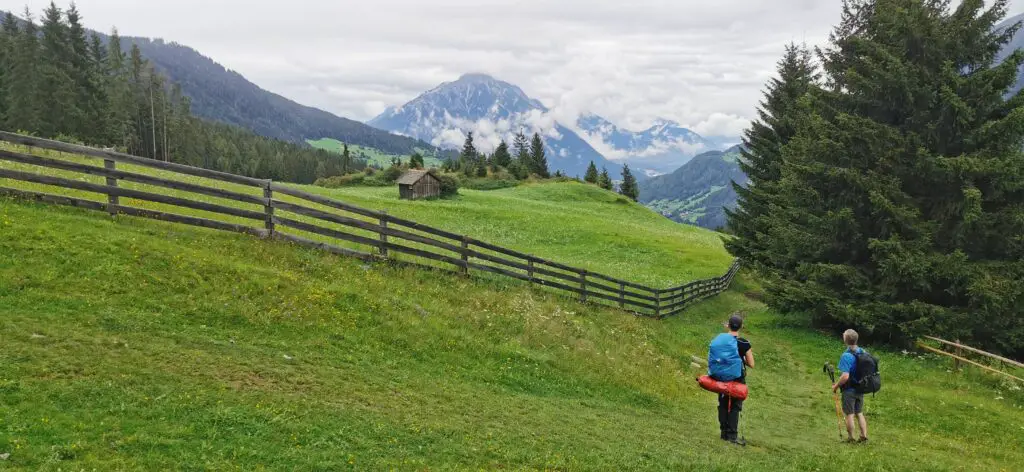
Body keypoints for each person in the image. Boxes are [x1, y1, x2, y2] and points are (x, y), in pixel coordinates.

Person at [708, 313, 754, 445]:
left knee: (722, 403)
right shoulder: (743, 343)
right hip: (737, 378)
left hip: (721, 377)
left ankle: (723, 433)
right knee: (735, 406)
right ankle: (732, 436)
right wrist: (742, 358)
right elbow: (751, 364)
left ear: (728, 325)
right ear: (741, 326)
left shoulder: (720, 340)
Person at [832, 329, 869, 443]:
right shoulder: (863, 352)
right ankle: (863, 436)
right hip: (861, 388)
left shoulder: (846, 355)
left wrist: (836, 386)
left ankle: (851, 438)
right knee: (859, 413)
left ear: (845, 340)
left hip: (849, 389)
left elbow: (845, 376)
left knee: (849, 414)